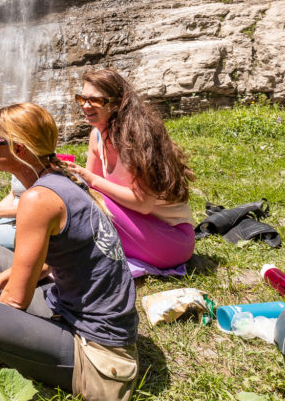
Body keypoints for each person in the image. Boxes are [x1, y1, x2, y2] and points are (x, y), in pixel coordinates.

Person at [0, 103, 139, 401]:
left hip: (102, 365)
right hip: (78, 313)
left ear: (19, 149)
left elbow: (15, 301)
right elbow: (45, 263)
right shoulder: (62, 179)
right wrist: (0, 281)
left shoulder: (38, 199)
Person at [65, 68, 196, 270]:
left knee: (83, 203)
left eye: (95, 100)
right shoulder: (97, 135)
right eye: (82, 99)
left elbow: (143, 203)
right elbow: (92, 192)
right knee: (80, 197)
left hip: (171, 240)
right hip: (136, 227)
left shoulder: (137, 139)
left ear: (117, 103)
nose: (86, 106)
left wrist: (88, 178)